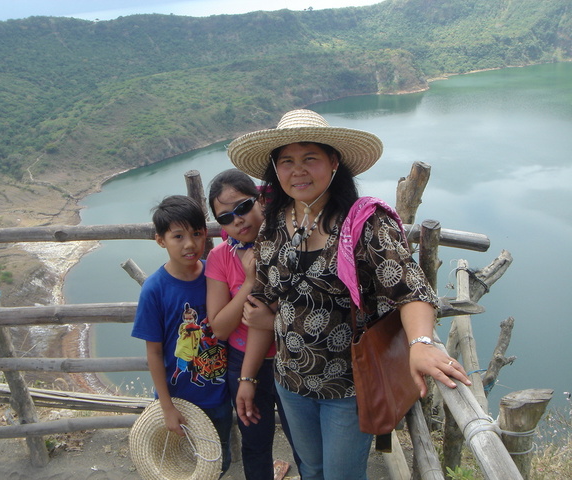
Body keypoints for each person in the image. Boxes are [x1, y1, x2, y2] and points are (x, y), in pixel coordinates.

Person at [227, 109, 471, 480]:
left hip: (348, 386)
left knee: (342, 475)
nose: (298, 170)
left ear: (334, 162)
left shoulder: (365, 223)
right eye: (287, 161)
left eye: (310, 158)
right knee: (311, 469)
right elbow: (261, 307)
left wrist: (421, 341)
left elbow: (411, 289)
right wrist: (247, 379)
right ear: (275, 169)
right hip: (290, 381)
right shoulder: (274, 225)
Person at [205, 168, 296, 480]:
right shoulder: (220, 258)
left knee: (304, 442)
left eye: (243, 207)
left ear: (260, 201)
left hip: (291, 356)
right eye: (226, 217)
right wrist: (248, 282)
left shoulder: (288, 244)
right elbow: (219, 328)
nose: (238, 220)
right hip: (243, 360)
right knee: (255, 444)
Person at [131, 195, 232, 474]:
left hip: (218, 393)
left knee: (218, 461)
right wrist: (166, 407)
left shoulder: (215, 274)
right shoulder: (155, 289)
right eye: (178, 236)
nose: (190, 244)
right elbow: (153, 352)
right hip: (179, 399)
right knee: (179, 466)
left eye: (196, 234)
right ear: (161, 240)